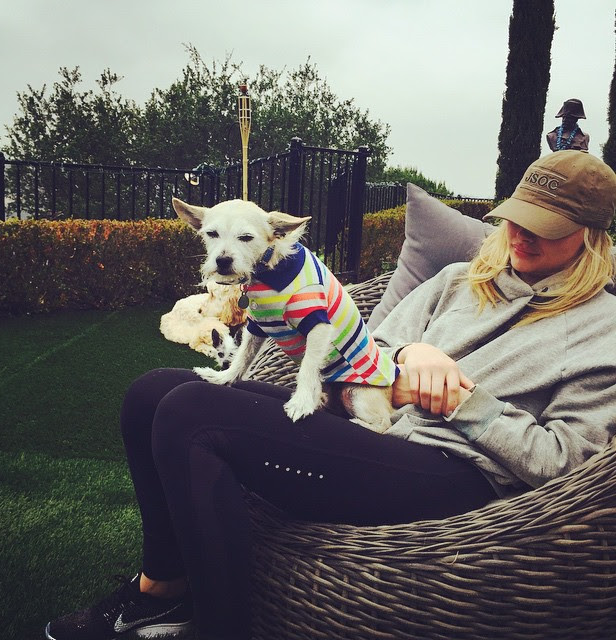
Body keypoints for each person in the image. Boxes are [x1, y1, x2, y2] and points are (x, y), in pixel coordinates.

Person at [46, 150, 616, 640]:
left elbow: (561, 460)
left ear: (591, 234)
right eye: (516, 219)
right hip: (371, 424)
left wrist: (466, 404)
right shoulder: (460, 279)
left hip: (454, 474)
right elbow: (376, 342)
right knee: (152, 393)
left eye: (543, 226)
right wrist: (409, 358)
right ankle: (165, 592)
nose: (519, 235)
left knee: (193, 414)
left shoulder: (604, 329)